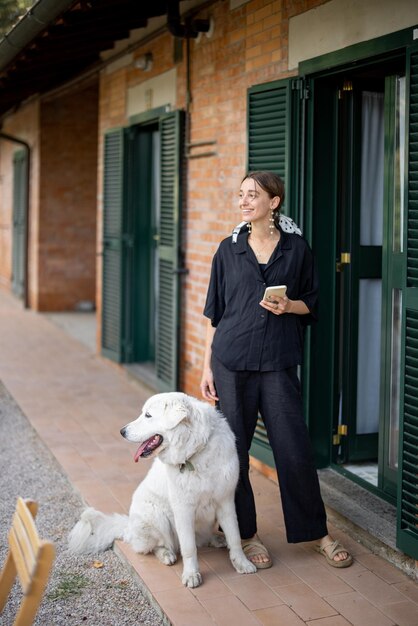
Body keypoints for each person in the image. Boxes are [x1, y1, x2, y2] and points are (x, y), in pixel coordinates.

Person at [200, 171, 352, 569]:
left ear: (275, 202)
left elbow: (312, 303)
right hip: (231, 362)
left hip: (279, 363)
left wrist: (289, 306)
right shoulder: (227, 250)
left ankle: (316, 533)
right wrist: (206, 367)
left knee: (294, 449)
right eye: (241, 195)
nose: (245, 201)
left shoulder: (296, 250)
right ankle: (245, 535)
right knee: (235, 451)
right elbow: (215, 315)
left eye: (254, 195)